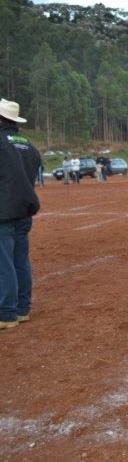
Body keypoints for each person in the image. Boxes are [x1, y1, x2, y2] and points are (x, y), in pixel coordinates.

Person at [0, 98, 41, 329]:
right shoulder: (28, 144)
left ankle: (6, 314)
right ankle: (22, 309)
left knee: (3, 262)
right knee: (20, 261)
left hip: (3, 211)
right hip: (24, 210)